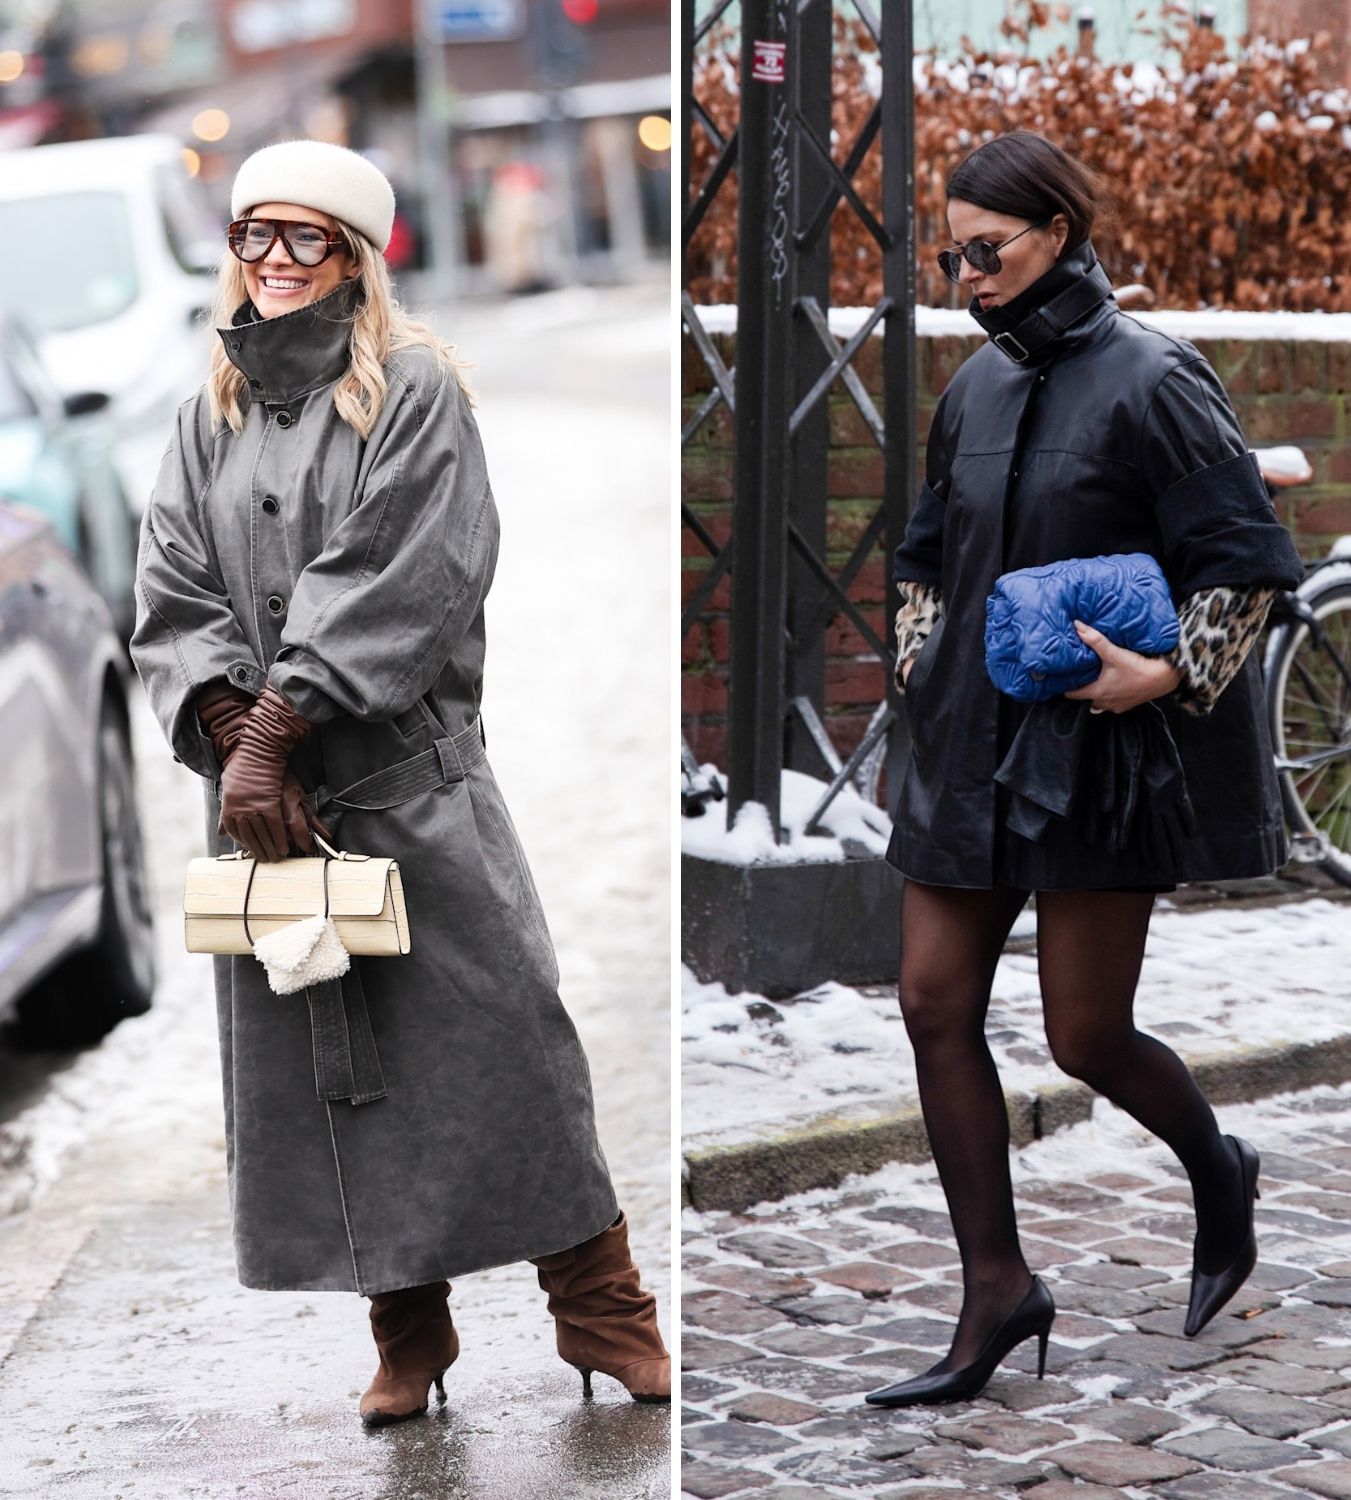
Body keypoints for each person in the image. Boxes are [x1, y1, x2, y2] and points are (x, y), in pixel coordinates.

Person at [129, 139, 669, 1425]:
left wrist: (278, 726)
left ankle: (600, 1310)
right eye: (252, 235)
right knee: (334, 1074)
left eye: (303, 238)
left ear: (357, 257)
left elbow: (408, 570)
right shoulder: (204, 413)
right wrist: (228, 729)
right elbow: (169, 587)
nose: (271, 260)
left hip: (410, 795)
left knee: (508, 1048)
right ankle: (408, 1335)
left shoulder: (415, 390)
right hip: (274, 820)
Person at [866, 131, 1302, 1408]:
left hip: (1098, 758)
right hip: (967, 750)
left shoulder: (1156, 380)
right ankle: (996, 1289)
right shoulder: (974, 392)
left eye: (985, 252)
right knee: (930, 1002)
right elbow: (921, 554)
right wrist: (923, 672)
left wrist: (1163, 677)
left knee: (1084, 1035)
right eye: (950, 256)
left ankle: (1217, 1171)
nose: (966, 279)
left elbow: (1246, 560)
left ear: (1057, 230)